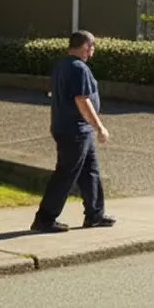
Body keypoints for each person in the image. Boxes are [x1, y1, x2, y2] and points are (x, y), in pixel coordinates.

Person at [32, 30, 114, 233]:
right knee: (66, 174)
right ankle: (45, 219)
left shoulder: (62, 65)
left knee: (90, 172)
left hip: (70, 128)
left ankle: (95, 214)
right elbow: (82, 100)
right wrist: (100, 127)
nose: (92, 51)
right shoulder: (79, 68)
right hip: (75, 130)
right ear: (87, 47)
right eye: (92, 47)